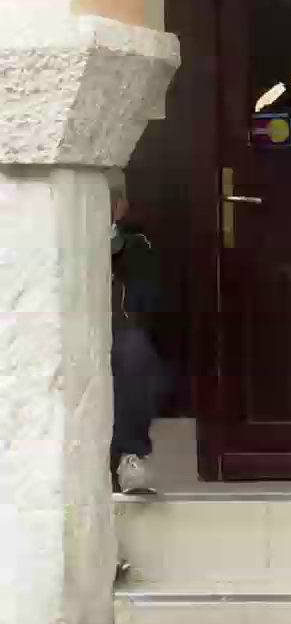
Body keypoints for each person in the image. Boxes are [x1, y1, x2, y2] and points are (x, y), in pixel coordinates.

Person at [109, 170, 171, 496]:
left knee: (136, 353)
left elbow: (148, 303)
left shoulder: (136, 245)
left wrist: (113, 250)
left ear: (121, 207)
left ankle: (129, 456)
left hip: (116, 333)